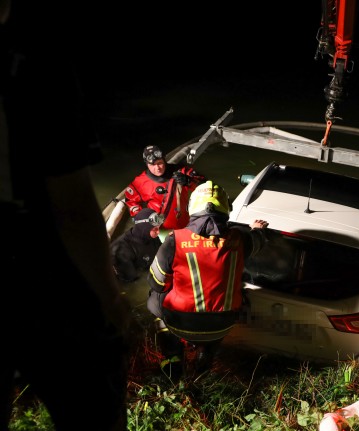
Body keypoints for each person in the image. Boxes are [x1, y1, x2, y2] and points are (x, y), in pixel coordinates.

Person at [0, 1, 134, 429]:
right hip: (34, 276)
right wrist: (111, 303)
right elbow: (72, 205)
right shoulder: (36, 61)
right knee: (93, 396)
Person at [147, 180, 269, 378]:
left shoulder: (175, 240)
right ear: (226, 209)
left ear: (191, 208)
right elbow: (258, 242)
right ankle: (205, 358)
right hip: (223, 325)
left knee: (154, 297)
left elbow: (157, 283)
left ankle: (173, 358)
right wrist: (257, 230)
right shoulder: (240, 240)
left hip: (180, 323)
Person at [124, 145, 204, 233]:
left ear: (164, 160)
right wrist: (142, 220)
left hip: (184, 227)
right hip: (158, 230)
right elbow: (131, 200)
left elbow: (206, 187)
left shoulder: (181, 171)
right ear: (146, 164)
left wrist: (189, 181)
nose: (157, 168)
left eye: (159, 163)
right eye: (152, 165)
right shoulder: (140, 182)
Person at [111, 208, 163, 283]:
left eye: (159, 228)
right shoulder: (121, 251)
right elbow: (129, 279)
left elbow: (161, 250)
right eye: (155, 229)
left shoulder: (150, 235)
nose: (158, 232)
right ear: (144, 228)